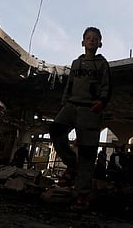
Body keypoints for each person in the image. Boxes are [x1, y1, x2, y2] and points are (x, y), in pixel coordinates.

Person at [48, 26, 112, 212]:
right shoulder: (76, 63)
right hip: (72, 105)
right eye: (88, 37)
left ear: (100, 43)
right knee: (56, 130)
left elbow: (107, 85)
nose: (91, 40)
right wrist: (64, 102)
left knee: (87, 152)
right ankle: (71, 164)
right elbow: (69, 84)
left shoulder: (102, 64)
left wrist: (102, 101)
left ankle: (82, 195)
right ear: (82, 41)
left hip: (90, 110)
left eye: (95, 38)